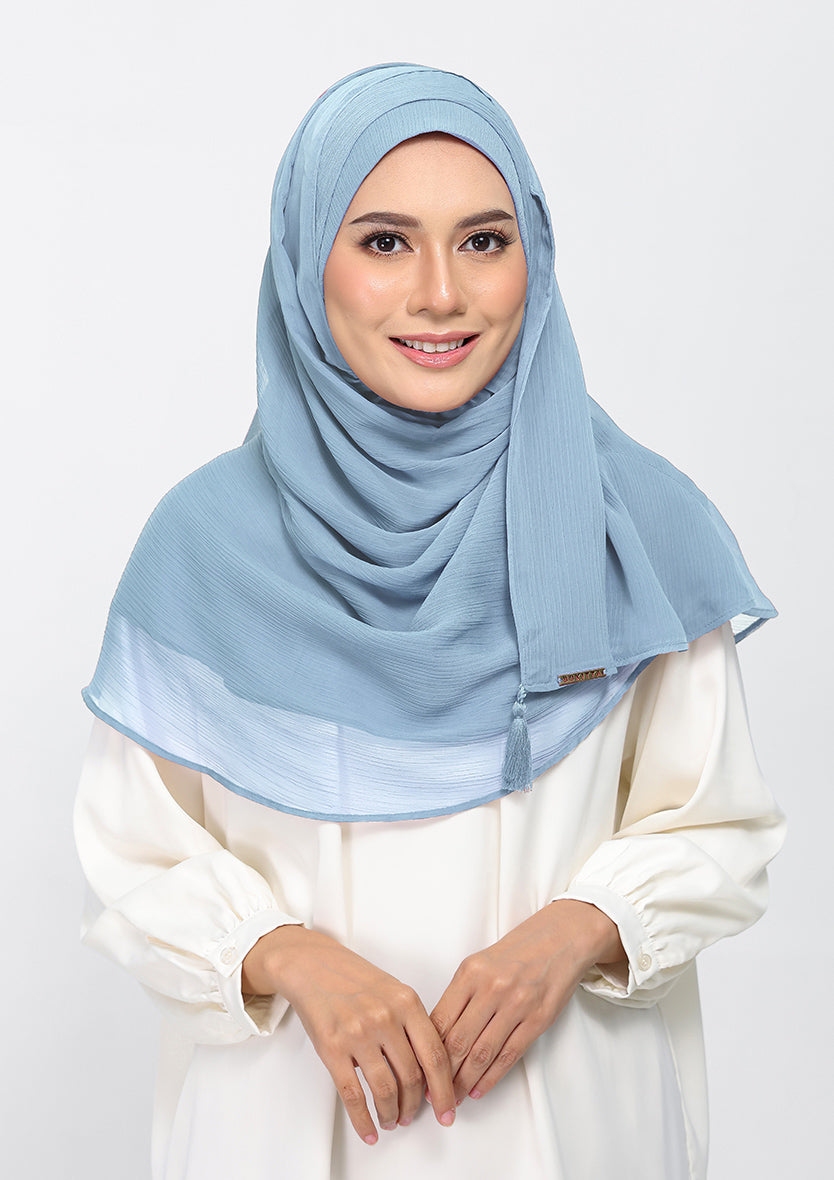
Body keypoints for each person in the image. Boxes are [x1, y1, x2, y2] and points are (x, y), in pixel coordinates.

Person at [74, 64, 785, 1180]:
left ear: (533, 255)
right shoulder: (204, 546)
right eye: (386, 242)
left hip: (571, 1128)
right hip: (284, 1130)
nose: (443, 294)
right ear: (306, 261)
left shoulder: (631, 525)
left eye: (484, 241)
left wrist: (581, 926)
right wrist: (283, 952)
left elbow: (721, 825)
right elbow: (132, 850)